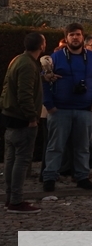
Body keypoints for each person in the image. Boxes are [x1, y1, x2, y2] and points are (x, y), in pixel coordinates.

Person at [42, 23, 92, 192]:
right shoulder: (56, 57)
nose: (75, 37)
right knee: (55, 146)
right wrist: (49, 104)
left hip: (84, 109)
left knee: (82, 146)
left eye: (78, 34)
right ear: (67, 38)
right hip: (60, 110)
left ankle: (82, 176)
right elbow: (45, 79)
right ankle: (50, 176)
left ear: (82, 37)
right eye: (72, 35)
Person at [2, 32, 46, 214]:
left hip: (10, 115)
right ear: (42, 46)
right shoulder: (28, 64)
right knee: (21, 160)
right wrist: (32, 118)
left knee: (11, 159)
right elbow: (24, 94)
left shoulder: (17, 60)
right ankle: (16, 201)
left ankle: (10, 197)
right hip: (22, 119)